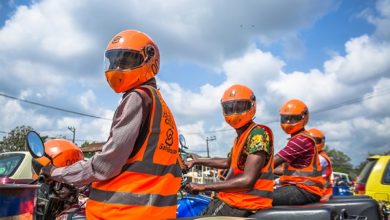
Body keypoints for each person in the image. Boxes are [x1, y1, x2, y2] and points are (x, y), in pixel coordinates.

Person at [42, 30, 181, 219]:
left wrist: (58, 172)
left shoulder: (138, 98)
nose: (117, 67)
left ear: (149, 59)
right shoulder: (162, 108)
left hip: (122, 213)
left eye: (126, 60)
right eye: (114, 61)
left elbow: (106, 164)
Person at [185, 84, 274, 217]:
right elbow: (228, 162)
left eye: (240, 107)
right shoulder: (243, 136)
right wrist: (196, 161)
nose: (234, 112)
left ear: (252, 105)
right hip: (236, 200)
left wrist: (203, 186)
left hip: (244, 203)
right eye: (229, 108)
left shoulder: (258, 134)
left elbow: (247, 180)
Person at [273, 99, 324, 205]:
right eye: (285, 118)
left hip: (304, 190)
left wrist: (246, 168)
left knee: (258, 197)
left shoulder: (301, 140)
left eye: (293, 119)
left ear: (304, 117)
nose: (288, 122)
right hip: (298, 187)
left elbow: (271, 162)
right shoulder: (297, 139)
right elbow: (282, 169)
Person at [307, 128, 333, 202]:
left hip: (320, 193)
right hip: (316, 190)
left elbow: (301, 173)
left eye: (316, 141)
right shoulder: (313, 156)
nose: (313, 144)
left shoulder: (320, 158)